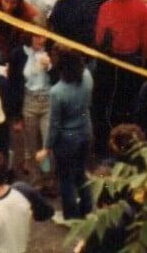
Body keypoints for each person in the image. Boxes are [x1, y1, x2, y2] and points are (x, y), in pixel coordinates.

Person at [42, 47, 94, 223]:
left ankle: (70, 215)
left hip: (67, 139)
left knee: (66, 179)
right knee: (81, 172)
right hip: (86, 131)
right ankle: (87, 207)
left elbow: (54, 124)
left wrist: (47, 147)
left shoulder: (57, 91)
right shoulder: (87, 76)